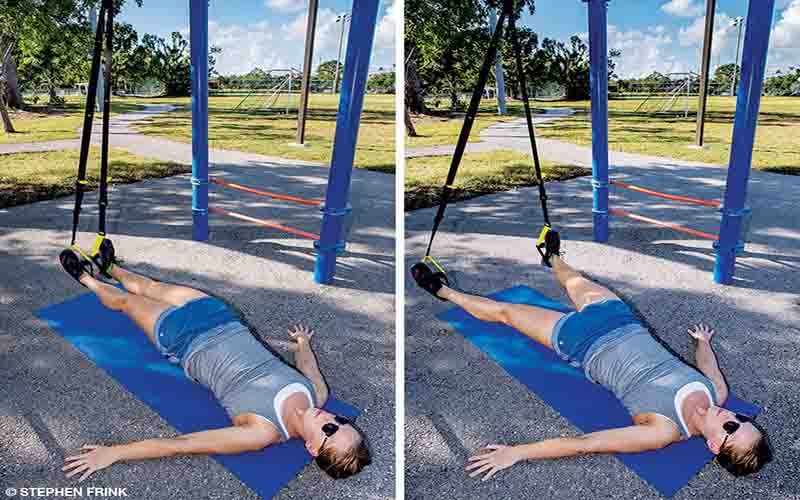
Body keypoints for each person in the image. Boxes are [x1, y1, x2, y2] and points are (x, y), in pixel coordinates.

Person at [410, 230, 771, 482]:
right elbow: (709, 369)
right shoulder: (717, 395)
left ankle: (443, 291)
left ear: (712, 445)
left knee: (506, 313)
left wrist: (519, 452)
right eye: (741, 419)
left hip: (582, 343)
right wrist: (702, 342)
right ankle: (551, 256)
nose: (732, 418)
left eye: (731, 429)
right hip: (619, 318)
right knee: (573, 279)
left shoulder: (662, 431)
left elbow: (588, 444)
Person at [58, 240, 371, 482]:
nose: (330, 419)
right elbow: (307, 366)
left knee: (127, 301)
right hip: (219, 316)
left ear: (312, 449)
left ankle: (88, 279)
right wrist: (302, 342)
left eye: (329, 430)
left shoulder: (261, 433)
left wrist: (115, 453)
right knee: (150, 286)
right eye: (342, 422)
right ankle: (111, 266)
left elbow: (183, 444)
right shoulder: (318, 395)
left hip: (184, 339)